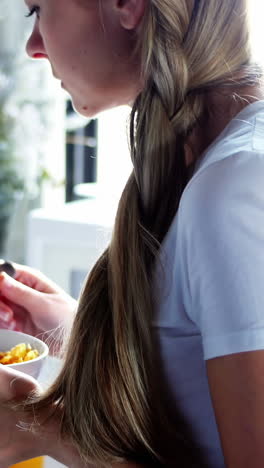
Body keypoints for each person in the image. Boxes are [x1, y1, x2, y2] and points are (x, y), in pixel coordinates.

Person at [0, 0, 264, 466]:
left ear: (127, 5)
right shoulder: (224, 159)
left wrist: (45, 429)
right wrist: (76, 331)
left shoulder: (234, 189)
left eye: (37, 9)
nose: (33, 46)